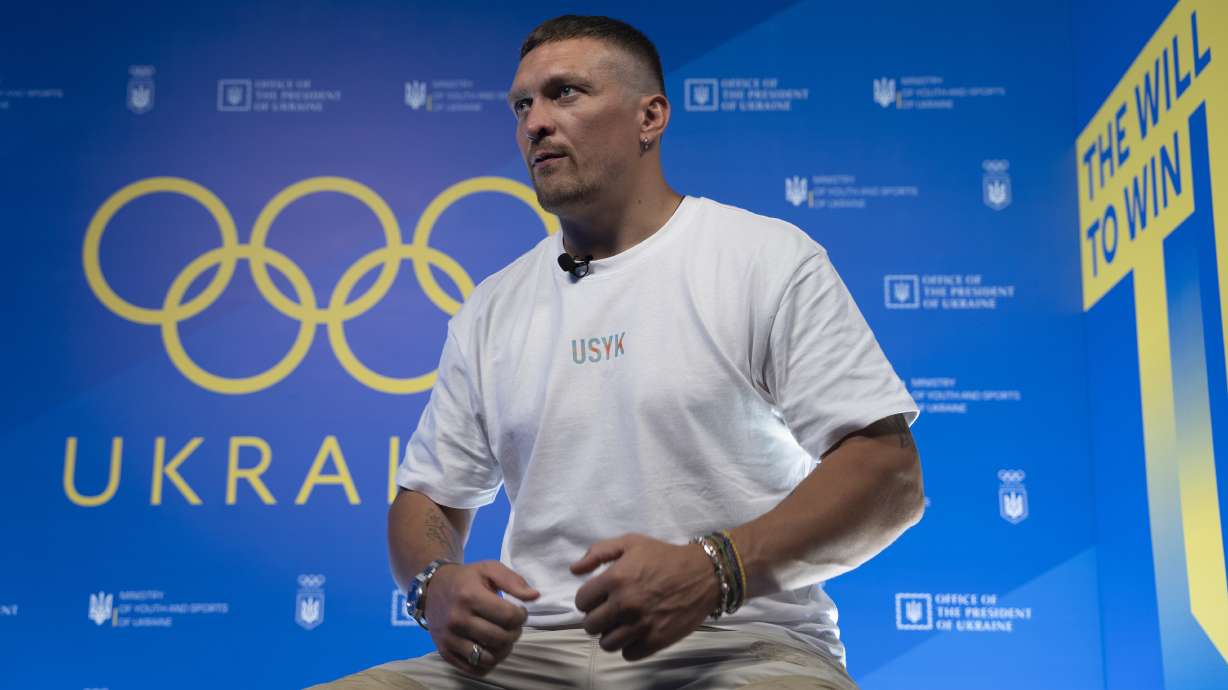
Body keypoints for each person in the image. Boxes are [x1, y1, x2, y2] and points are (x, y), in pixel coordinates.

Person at [312, 14, 923, 690]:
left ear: (650, 117)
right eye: (522, 105)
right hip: (529, 659)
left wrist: (715, 571)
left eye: (565, 93)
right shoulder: (491, 307)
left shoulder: (766, 259)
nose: (535, 123)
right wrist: (434, 584)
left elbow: (889, 478)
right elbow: (427, 499)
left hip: (742, 642)